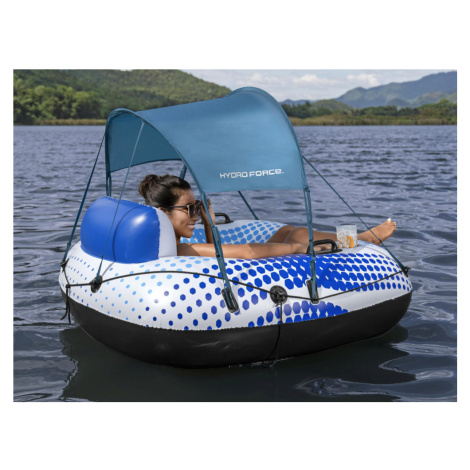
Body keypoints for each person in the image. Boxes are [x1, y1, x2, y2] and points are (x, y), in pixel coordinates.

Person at [138, 174, 396, 259]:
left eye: (197, 208)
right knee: (296, 236)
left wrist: (208, 223)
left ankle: (360, 237)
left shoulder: (175, 245)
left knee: (288, 230)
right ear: (163, 213)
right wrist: (299, 248)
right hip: (249, 273)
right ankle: (362, 238)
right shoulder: (182, 249)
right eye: (189, 209)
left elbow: (214, 253)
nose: (195, 215)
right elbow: (247, 252)